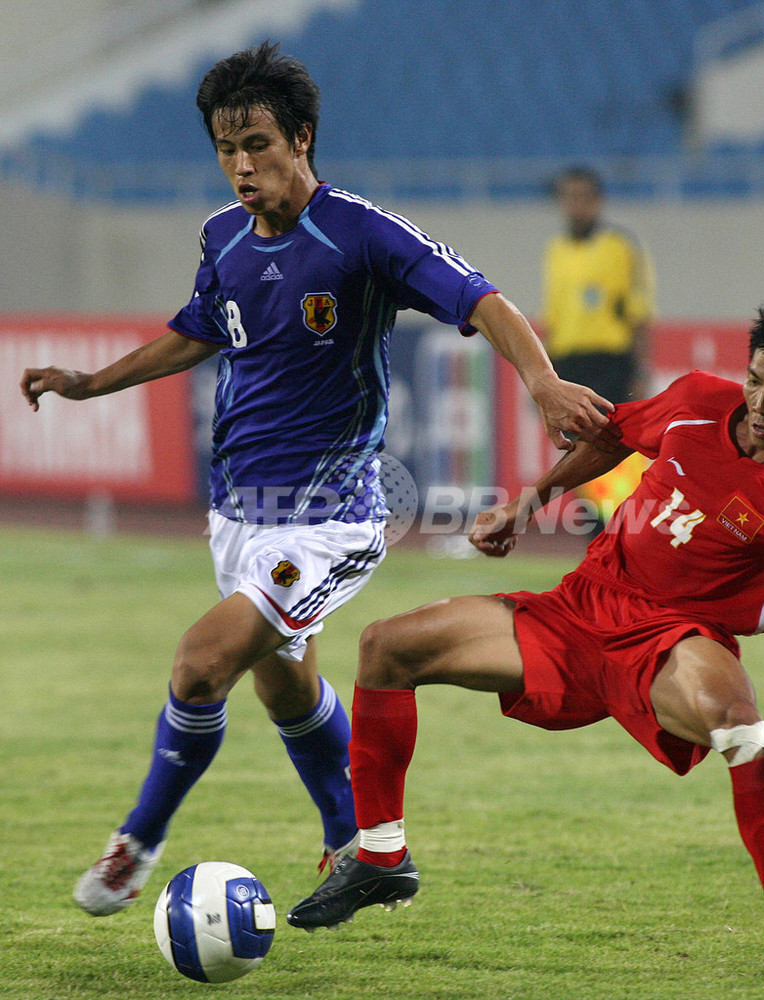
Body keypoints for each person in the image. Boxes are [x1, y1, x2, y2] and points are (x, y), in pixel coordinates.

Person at [19, 41, 612, 918]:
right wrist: (88, 383)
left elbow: (481, 299)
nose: (242, 165)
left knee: (200, 665)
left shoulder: (359, 232)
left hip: (330, 520)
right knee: (285, 687)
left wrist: (542, 380)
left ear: (301, 137)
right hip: (240, 515)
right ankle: (355, 841)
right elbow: (197, 330)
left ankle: (134, 847)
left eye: (257, 142)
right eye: (226, 149)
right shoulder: (222, 236)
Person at [287, 290, 764, 980]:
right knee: (385, 646)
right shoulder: (697, 399)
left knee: (744, 732)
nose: (758, 403)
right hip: (578, 610)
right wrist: (529, 502)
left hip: (674, 643)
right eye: (755, 379)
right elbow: (612, 437)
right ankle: (383, 854)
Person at [542, 165, 655, 405]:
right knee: (572, 441)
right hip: (566, 361)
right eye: (569, 197)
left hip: (609, 361)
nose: (575, 205)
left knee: (605, 438)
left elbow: (639, 313)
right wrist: (545, 371)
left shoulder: (620, 246)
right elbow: (553, 314)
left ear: (597, 200)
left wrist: (640, 371)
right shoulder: (557, 249)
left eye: (582, 197)